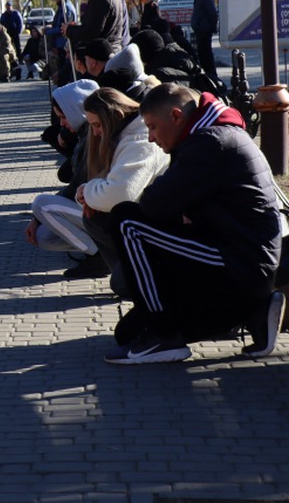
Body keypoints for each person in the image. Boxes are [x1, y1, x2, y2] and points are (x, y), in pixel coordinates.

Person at [107, 84, 285, 364]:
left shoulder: (209, 143)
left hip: (239, 265)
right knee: (127, 333)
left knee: (126, 222)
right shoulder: (214, 133)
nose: (151, 139)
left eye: (153, 127)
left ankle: (164, 338)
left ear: (177, 116)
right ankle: (254, 311)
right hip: (240, 261)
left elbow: (153, 205)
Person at [74, 88, 170, 297]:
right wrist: (88, 193)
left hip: (156, 222)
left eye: (98, 125)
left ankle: (139, 276)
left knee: (122, 284)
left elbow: (121, 193)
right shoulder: (124, 135)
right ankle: (131, 274)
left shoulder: (138, 140)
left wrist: (88, 191)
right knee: (93, 214)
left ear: (114, 117)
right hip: (147, 215)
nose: (96, 132)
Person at [25, 80, 101, 276]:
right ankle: (96, 249)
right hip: (93, 206)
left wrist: (38, 215)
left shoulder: (96, 135)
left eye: (63, 117)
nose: (62, 124)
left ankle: (99, 256)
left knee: (42, 204)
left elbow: (75, 185)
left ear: (76, 111)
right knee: (44, 235)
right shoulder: (85, 134)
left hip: (103, 212)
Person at [191, 0, 219, 80]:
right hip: (199, 29)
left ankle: (212, 75)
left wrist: (212, 27)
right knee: (202, 54)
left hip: (204, 30)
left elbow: (212, 13)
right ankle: (208, 75)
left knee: (206, 54)